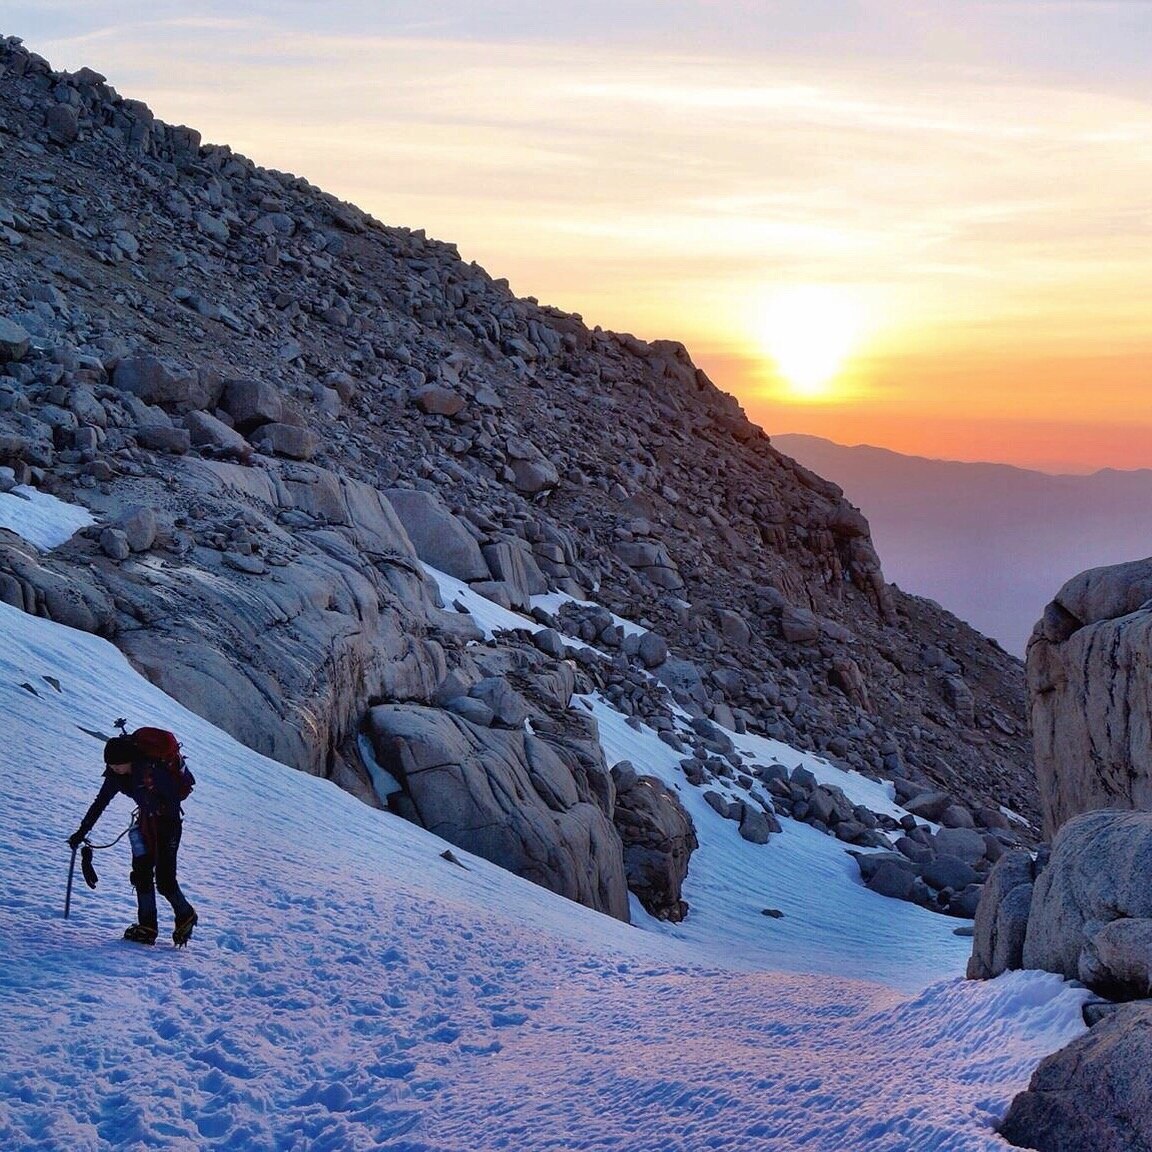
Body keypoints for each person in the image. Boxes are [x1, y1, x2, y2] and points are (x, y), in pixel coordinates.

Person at [68, 734, 198, 947]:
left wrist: (158, 810)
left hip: (168, 826)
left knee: (165, 880)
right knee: (141, 873)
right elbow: (100, 803)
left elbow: (173, 799)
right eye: (111, 765)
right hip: (146, 824)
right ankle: (147, 927)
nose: (116, 769)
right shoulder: (115, 776)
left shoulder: (150, 770)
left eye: (119, 765)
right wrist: (81, 832)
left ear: (130, 759)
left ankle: (185, 914)